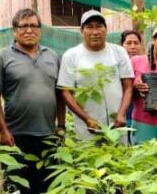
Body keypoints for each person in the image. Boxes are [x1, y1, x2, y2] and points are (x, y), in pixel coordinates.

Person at [0, 8, 62, 194]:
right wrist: (2, 130)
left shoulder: (52, 56)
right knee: (16, 186)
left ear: (40, 30)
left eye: (34, 25)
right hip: (16, 134)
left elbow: (60, 93)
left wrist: (61, 125)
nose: (29, 30)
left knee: (42, 187)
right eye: (23, 26)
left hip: (47, 134)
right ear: (14, 31)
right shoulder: (3, 56)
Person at [57, 10, 134, 140]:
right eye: (89, 27)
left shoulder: (119, 52)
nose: (95, 32)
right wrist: (87, 119)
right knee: (90, 158)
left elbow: (128, 87)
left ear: (106, 29)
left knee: (118, 158)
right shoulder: (71, 55)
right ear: (81, 31)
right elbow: (65, 92)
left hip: (116, 125)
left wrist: (121, 114)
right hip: (86, 127)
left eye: (99, 26)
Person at [119, 30, 144, 128]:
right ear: (122, 45)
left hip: (144, 117)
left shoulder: (148, 64)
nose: (132, 47)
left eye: (136, 43)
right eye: (128, 43)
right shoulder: (117, 65)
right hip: (122, 115)